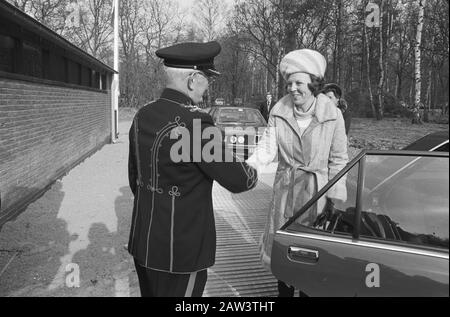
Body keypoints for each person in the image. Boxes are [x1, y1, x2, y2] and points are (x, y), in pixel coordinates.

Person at [127, 41, 258, 297]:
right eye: (207, 78)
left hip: (143, 243)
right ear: (192, 80)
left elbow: (135, 179)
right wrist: (255, 168)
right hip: (181, 252)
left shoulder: (142, 114)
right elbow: (239, 180)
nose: (208, 86)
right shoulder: (196, 122)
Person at [246, 49, 348, 297]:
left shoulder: (333, 115)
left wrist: (334, 197)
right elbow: (267, 148)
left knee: (310, 254)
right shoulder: (279, 112)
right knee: (283, 254)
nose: (292, 88)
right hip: (285, 193)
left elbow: (338, 159)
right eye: (289, 83)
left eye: (299, 83)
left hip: (317, 195)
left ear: (313, 84)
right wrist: (245, 170)